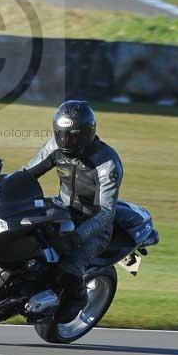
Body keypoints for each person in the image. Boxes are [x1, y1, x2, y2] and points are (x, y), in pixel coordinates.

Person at [23, 100, 123, 323]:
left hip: (94, 225)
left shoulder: (107, 163)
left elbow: (106, 211)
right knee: (19, 232)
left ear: (88, 133)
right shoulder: (55, 147)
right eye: (62, 135)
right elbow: (27, 174)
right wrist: (4, 186)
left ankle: (77, 300)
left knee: (68, 267)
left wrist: (77, 237)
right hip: (63, 208)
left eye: (74, 136)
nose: (67, 141)